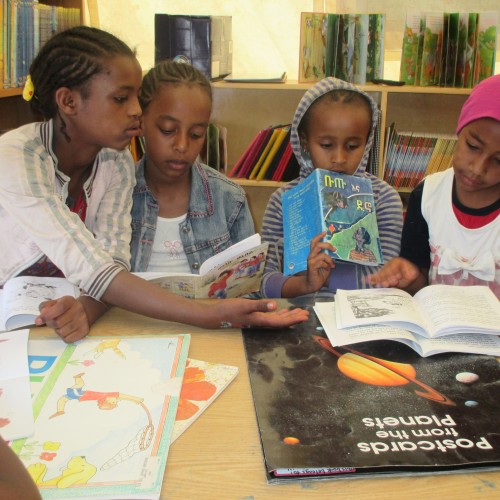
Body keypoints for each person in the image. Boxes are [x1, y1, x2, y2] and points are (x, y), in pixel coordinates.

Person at [0, 26, 308, 344]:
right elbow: (93, 268)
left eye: (136, 96)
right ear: (68, 101)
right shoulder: (17, 157)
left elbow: (113, 258)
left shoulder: (114, 160)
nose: (136, 110)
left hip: (61, 315)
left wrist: (84, 310)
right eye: (121, 98)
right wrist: (210, 314)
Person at [260, 77, 404, 299]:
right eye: (326, 145)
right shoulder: (284, 200)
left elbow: (387, 278)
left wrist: (327, 279)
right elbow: (263, 281)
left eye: (353, 146)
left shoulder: (384, 198)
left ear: (367, 143)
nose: (339, 158)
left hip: (364, 319)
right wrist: (305, 284)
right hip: (300, 318)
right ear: (304, 142)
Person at [367, 74, 500, 298]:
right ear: (459, 130)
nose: (477, 168)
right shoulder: (428, 195)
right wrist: (408, 277)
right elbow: (420, 283)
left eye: (498, 160)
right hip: (436, 330)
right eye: (473, 146)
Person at [131, 60, 255, 273]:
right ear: (140, 122)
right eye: (168, 130)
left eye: (196, 134)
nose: (182, 145)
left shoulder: (230, 199)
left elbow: (248, 285)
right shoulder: (116, 194)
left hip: (210, 306)